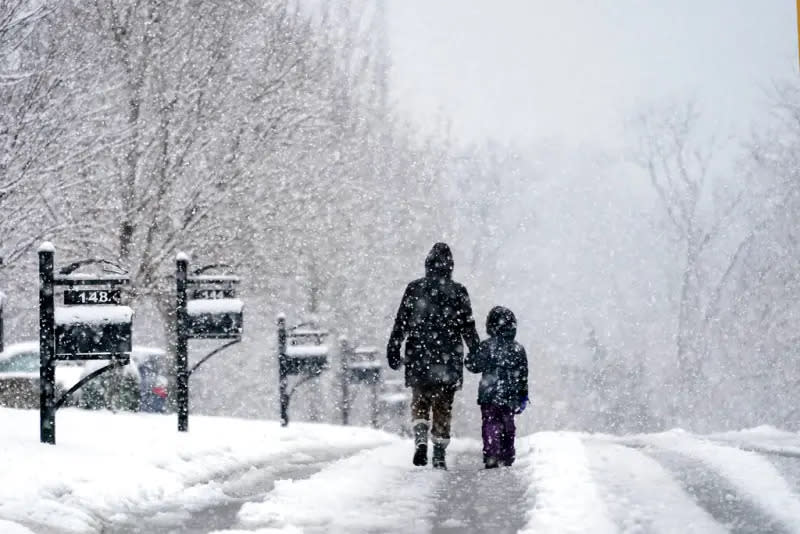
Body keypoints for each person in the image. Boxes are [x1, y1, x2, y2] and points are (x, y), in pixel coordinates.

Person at [387, 243, 480, 470]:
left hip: (419, 354)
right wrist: (476, 352)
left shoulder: (414, 289)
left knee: (419, 400)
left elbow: (401, 322)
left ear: (427, 263)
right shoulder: (458, 291)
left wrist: (394, 347)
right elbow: (467, 326)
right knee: (443, 405)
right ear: (450, 266)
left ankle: (420, 438)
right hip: (448, 356)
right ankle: (438, 451)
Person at [465, 306, 528, 468]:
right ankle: (507, 454)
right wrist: (522, 395)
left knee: (490, 423)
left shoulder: (486, 346)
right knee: (508, 424)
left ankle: (491, 452)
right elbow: (522, 375)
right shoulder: (518, 349)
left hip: (489, 393)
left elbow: (473, 366)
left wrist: (471, 356)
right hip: (510, 394)